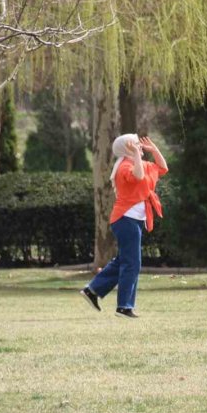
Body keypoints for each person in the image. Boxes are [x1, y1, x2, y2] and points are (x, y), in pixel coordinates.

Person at [80, 134, 168, 319]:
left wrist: (154, 150)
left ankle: (93, 290)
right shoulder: (124, 167)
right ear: (127, 149)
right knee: (132, 264)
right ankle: (124, 307)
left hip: (134, 220)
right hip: (125, 219)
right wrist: (136, 154)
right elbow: (138, 176)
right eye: (136, 144)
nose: (140, 147)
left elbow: (162, 168)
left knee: (124, 261)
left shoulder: (140, 163)